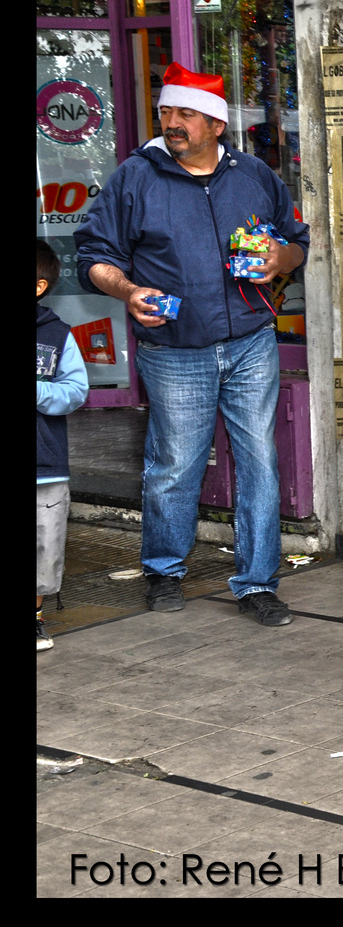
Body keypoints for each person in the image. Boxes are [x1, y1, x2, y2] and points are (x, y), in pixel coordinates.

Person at [74, 62, 309, 627]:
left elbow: (296, 242)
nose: (171, 123)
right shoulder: (136, 177)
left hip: (252, 341)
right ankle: (163, 569)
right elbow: (93, 258)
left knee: (260, 463)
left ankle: (257, 583)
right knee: (176, 464)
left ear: (216, 125)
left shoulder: (254, 175)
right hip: (175, 348)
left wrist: (281, 259)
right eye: (166, 112)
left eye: (185, 114)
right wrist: (128, 290)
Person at [37, 241, 89, 651]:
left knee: (43, 547)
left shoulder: (57, 336)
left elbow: (75, 392)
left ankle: (35, 618)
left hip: (44, 466)